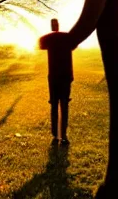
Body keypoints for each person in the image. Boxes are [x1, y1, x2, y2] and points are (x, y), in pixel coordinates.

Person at [39, 18, 77, 146]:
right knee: (62, 106)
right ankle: (61, 135)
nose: (54, 26)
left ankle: (57, 135)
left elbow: (40, 44)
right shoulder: (68, 37)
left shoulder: (47, 38)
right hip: (64, 76)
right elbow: (75, 44)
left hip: (56, 77)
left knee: (56, 106)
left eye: (53, 24)